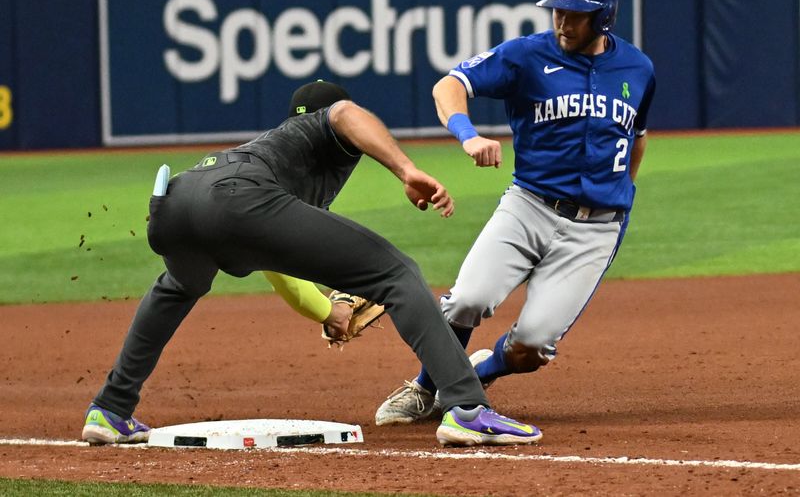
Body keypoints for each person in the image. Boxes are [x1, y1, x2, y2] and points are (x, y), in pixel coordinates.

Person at [80, 80, 543, 447]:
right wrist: (407, 169)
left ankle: (110, 408)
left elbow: (272, 252)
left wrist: (327, 310)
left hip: (176, 201)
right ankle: (467, 408)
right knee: (396, 274)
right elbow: (345, 114)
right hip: (236, 199)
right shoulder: (329, 125)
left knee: (176, 287)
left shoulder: (276, 150)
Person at [375, 0, 656, 425]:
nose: (563, 22)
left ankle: (476, 371)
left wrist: (623, 195)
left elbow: (637, 137)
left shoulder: (638, 68)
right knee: (466, 299)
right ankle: (426, 387)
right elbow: (450, 85)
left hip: (596, 228)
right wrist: (467, 135)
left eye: (576, 13)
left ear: (604, 16)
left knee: (532, 348)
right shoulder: (526, 56)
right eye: (558, 10)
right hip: (529, 207)